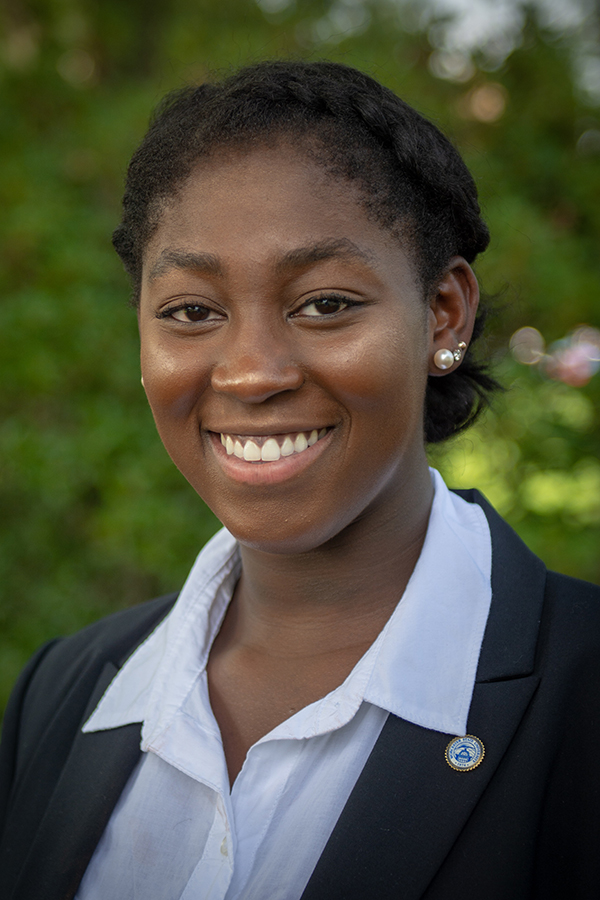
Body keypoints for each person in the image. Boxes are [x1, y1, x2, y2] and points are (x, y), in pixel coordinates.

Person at [1, 60, 599, 900]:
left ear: (443, 315)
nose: (251, 374)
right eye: (191, 312)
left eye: (324, 303)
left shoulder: (581, 692)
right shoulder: (65, 691)